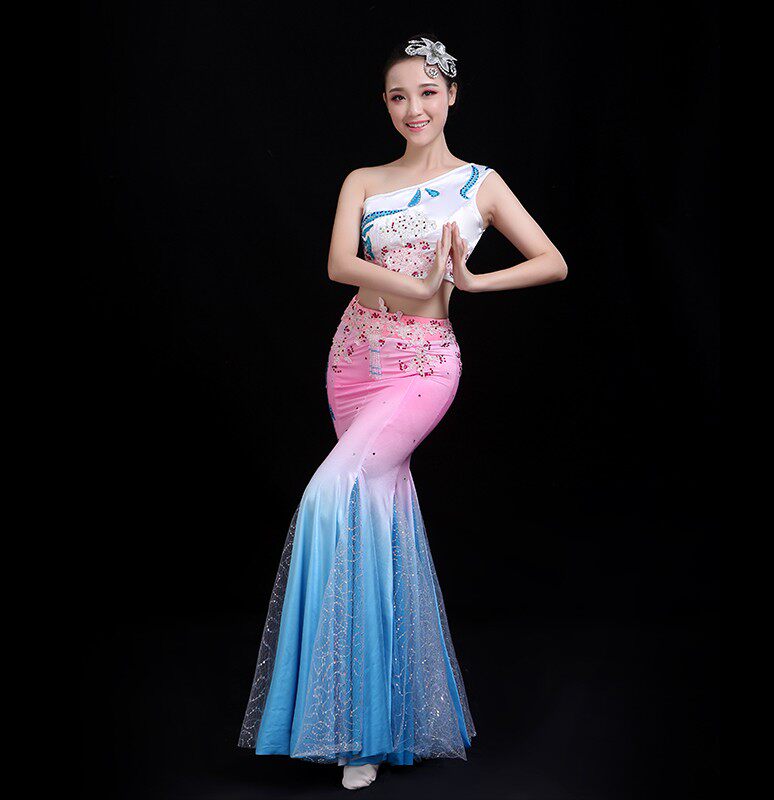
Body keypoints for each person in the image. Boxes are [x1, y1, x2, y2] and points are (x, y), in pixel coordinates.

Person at [239, 33, 568, 791]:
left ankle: (352, 722)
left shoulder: (481, 184)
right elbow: (339, 264)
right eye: (398, 95)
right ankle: (365, 729)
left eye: (426, 92)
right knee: (371, 526)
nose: (413, 108)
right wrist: (419, 285)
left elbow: (552, 261)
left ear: (451, 96)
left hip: (423, 366)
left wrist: (472, 284)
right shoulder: (364, 178)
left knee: (332, 499)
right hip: (354, 358)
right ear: (386, 105)